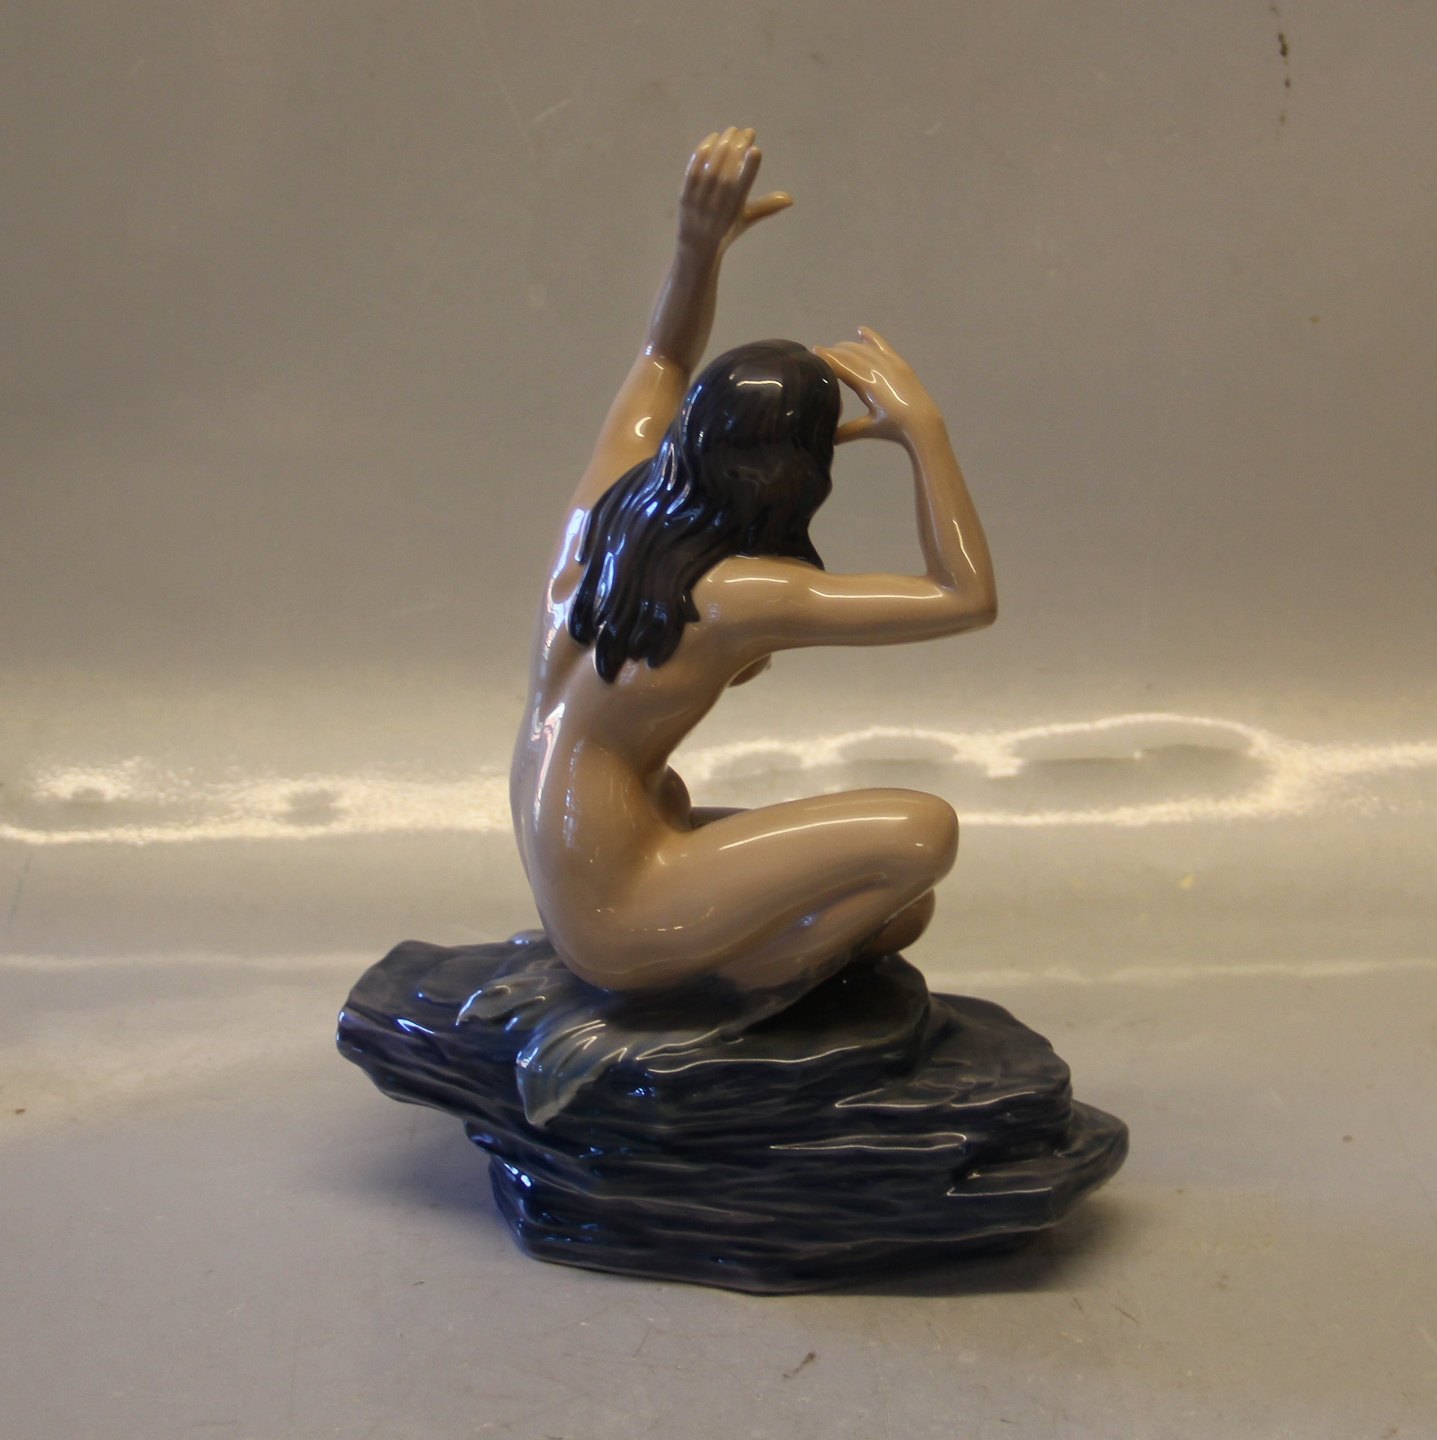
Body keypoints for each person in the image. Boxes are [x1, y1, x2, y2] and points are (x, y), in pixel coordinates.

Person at [510, 128, 996, 995]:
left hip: (577, 870)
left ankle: (711, 966)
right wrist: (923, 432)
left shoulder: (605, 510)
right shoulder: (738, 594)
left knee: (897, 910)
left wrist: (697, 250)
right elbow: (964, 598)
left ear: (693, 431)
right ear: (801, 470)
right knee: (922, 835)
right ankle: (725, 1005)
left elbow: (662, 359)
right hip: (617, 915)